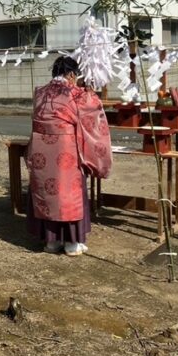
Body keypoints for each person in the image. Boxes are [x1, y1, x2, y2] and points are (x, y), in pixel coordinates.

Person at [25, 55, 112, 257]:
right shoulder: (77, 94)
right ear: (72, 74)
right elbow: (93, 119)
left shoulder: (40, 92)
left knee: (47, 192)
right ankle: (72, 243)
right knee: (68, 193)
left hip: (40, 147)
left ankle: (51, 242)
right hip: (65, 148)